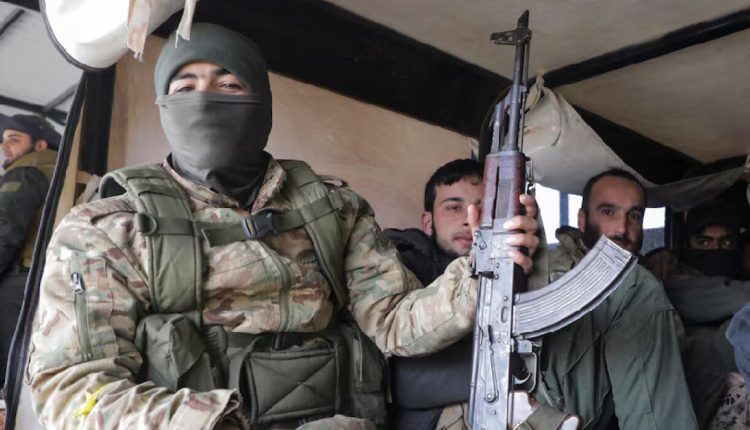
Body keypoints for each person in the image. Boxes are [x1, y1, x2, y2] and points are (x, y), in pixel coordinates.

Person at [25, 24, 541, 430]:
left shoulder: (332, 207)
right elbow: (73, 391)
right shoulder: (107, 228)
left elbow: (394, 323)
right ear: (165, 107)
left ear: (261, 103)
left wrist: (485, 268)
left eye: (230, 84)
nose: (206, 99)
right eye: (185, 87)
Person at [387, 164, 697, 430]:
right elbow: (400, 366)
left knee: (635, 288)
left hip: (536, 390)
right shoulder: (405, 262)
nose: (471, 218)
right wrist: (480, 269)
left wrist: (527, 261)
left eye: (484, 207)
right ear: (427, 221)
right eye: (454, 207)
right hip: (472, 408)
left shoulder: (515, 261)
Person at [546, 168, 697, 429]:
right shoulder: (552, 271)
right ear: (582, 220)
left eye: (634, 216)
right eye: (608, 212)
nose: (622, 228)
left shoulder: (646, 273)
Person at [658, 201, 750, 428]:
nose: (715, 251)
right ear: (688, 244)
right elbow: (737, 299)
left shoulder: (739, 278)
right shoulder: (673, 279)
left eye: (726, 242)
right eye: (704, 242)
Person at [0, 114, 60, 390]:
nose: (4, 146)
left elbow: (5, 227)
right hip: (45, 278)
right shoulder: (60, 169)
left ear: (40, 145)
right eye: (3, 140)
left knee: (7, 368)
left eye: (14, 139)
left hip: (18, 281)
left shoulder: (28, 170)